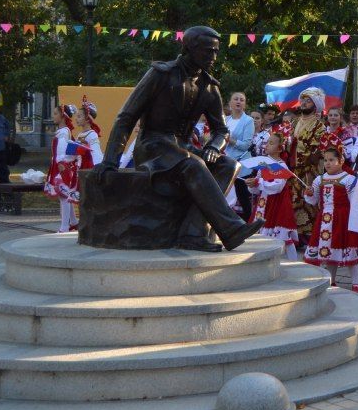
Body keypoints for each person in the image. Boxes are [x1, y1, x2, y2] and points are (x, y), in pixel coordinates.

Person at [97, 25, 263, 251]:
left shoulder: (209, 87)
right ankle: (231, 228)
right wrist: (110, 161)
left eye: (215, 51)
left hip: (182, 147)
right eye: (208, 51)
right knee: (192, 163)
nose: (213, 57)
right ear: (189, 48)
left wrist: (214, 146)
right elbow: (126, 117)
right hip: (153, 145)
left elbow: (221, 130)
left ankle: (194, 233)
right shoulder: (161, 74)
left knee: (229, 165)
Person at [302, 131, 358, 290]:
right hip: (324, 219)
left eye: (332, 160)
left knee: (349, 249)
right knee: (328, 251)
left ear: (341, 160)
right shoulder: (319, 179)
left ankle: (356, 282)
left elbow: (355, 202)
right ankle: (331, 280)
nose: (328, 163)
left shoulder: (348, 179)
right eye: (325, 160)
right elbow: (314, 200)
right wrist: (308, 193)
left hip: (343, 219)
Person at [248, 131, 298, 259]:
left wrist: (258, 182)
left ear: (280, 148)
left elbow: (277, 187)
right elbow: (258, 187)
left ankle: (294, 263)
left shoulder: (281, 166)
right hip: (264, 203)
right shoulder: (263, 164)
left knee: (281, 236)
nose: (267, 145)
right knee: (261, 235)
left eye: (271, 143)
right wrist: (252, 184)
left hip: (277, 204)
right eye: (267, 143)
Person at [288, 88, 327, 246]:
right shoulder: (295, 122)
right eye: (303, 100)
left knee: (308, 203)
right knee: (292, 203)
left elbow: (318, 150)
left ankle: (310, 239)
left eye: (308, 100)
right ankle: (295, 237)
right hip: (293, 169)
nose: (304, 103)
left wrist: (306, 159)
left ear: (315, 105)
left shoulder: (319, 126)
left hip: (308, 171)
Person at [44, 104, 80, 232]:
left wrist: (61, 164)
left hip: (62, 166)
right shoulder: (63, 131)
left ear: (63, 116)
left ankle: (65, 227)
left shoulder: (64, 132)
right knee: (64, 194)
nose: (53, 116)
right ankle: (74, 222)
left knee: (63, 196)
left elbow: (63, 151)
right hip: (60, 165)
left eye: (55, 113)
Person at [224, 92, 255, 221]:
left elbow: (246, 145)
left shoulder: (248, 120)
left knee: (242, 197)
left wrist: (230, 140)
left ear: (245, 104)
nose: (238, 101)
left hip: (241, 164)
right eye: (236, 99)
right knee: (224, 196)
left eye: (242, 100)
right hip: (226, 163)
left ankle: (249, 225)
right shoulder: (226, 120)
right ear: (230, 103)